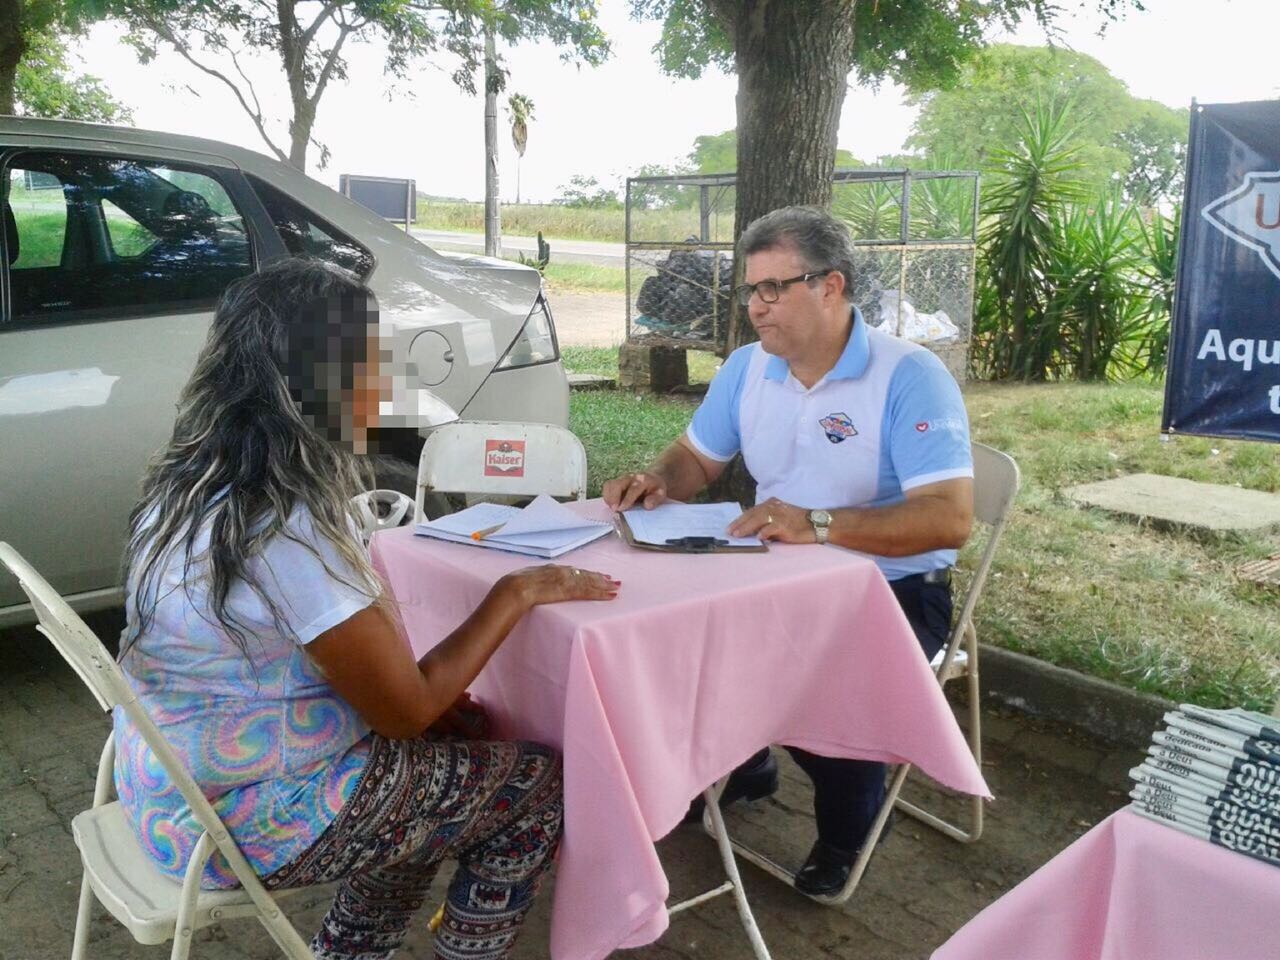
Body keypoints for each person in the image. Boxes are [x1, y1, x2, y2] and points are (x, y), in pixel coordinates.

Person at [113, 257, 619, 960]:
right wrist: (517, 591)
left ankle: (355, 948)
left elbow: (383, 694)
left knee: (431, 770)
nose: (382, 386)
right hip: (240, 819)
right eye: (370, 363)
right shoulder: (284, 523)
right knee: (537, 784)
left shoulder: (191, 481)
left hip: (167, 784)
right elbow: (402, 710)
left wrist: (434, 713)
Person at [602, 205, 973, 898]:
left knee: (810, 679)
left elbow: (950, 520)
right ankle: (742, 764)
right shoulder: (750, 368)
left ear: (830, 287)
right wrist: (657, 481)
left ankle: (850, 827)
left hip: (889, 591)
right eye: (750, 291)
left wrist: (824, 525)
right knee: (669, 645)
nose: (756, 308)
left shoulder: (909, 375)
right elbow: (694, 456)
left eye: (774, 289)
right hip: (770, 577)